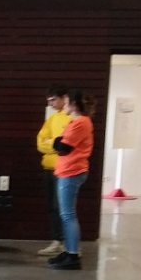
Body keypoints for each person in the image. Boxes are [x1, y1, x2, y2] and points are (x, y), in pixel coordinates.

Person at [49, 91, 96, 270]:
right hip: (67, 171)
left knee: (68, 215)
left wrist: (57, 142)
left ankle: (72, 254)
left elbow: (62, 146)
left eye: (67, 101)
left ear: (74, 104)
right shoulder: (75, 122)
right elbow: (60, 143)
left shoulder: (81, 122)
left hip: (72, 171)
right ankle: (69, 251)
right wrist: (58, 142)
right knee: (66, 214)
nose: (64, 105)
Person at [35, 85, 71, 256]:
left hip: (63, 170)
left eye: (53, 100)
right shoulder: (52, 119)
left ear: (64, 98)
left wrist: (52, 144)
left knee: (62, 207)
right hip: (48, 168)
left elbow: (65, 145)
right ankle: (57, 241)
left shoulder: (71, 119)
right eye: (49, 101)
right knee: (52, 206)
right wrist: (54, 145)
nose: (51, 104)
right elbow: (40, 142)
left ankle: (68, 243)